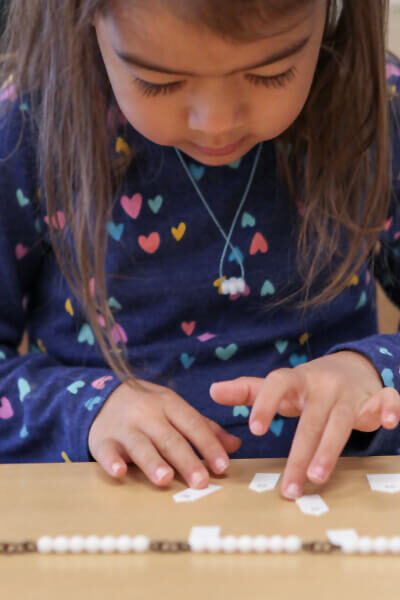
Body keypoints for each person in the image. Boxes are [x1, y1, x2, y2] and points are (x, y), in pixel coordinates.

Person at [0, 0, 399, 500]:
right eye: (159, 82)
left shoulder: (374, 103)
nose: (216, 124)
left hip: (337, 514)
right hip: (108, 524)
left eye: (271, 73)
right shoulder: (27, 127)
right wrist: (87, 411)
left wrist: (372, 371)